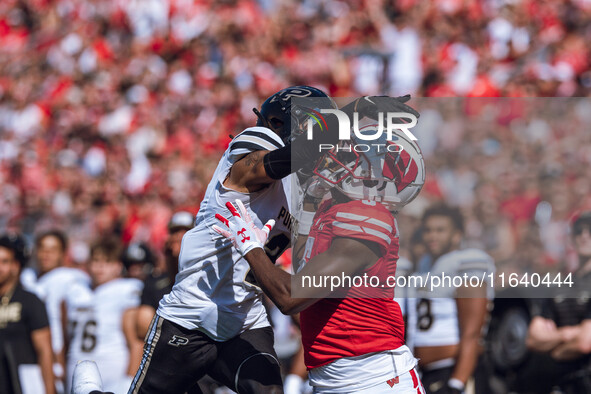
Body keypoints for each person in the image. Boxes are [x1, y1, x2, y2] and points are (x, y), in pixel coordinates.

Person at [125, 86, 338, 394]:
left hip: (244, 317)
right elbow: (263, 167)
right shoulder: (256, 144)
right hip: (192, 309)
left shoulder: (306, 189)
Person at [213, 109, 427, 393]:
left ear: (375, 174)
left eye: (352, 156)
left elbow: (291, 297)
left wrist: (250, 246)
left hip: (374, 379)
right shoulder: (330, 210)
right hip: (330, 379)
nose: (337, 158)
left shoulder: (368, 215)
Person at [408, 205, 495, 394]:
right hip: (426, 373)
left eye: (440, 230)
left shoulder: (466, 262)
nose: (432, 236)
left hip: (454, 370)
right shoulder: (425, 265)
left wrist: (457, 383)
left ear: (456, 235)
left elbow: (472, 334)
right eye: (428, 230)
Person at [64, 238, 143, 393]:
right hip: (76, 364)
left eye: (107, 261)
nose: (100, 266)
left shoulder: (126, 289)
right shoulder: (76, 290)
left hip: (113, 367)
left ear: (118, 266)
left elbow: (136, 342)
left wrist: (130, 377)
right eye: (96, 260)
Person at [526, 211, 591, 393]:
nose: (584, 237)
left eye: (590, 231)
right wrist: (568, 334)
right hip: (562, 384)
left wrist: (553, 351)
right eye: (579, 231)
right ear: (572, 238)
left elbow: (585, 343)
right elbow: (533, 339)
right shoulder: (560, 284)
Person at [20, 229, 89, 389]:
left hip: (54, 357)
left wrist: (60, 360)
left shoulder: (68, 279)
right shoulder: (27, 278)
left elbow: (67, 327)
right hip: (26, 355)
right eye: (42, 248)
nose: (46, 254)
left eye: (52, 250)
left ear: (63, 254)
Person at [0, 233, 56, 394]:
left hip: (22, 385)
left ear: (15, 266)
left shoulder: (30, 301)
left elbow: (45, 351)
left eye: (4, 262)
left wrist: (49, 390)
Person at [136, 210, 194, 339]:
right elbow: (142, 327)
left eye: (186, 231)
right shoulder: (154, 283)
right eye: (175, 232)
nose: (180, 236)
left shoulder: (207, 278)